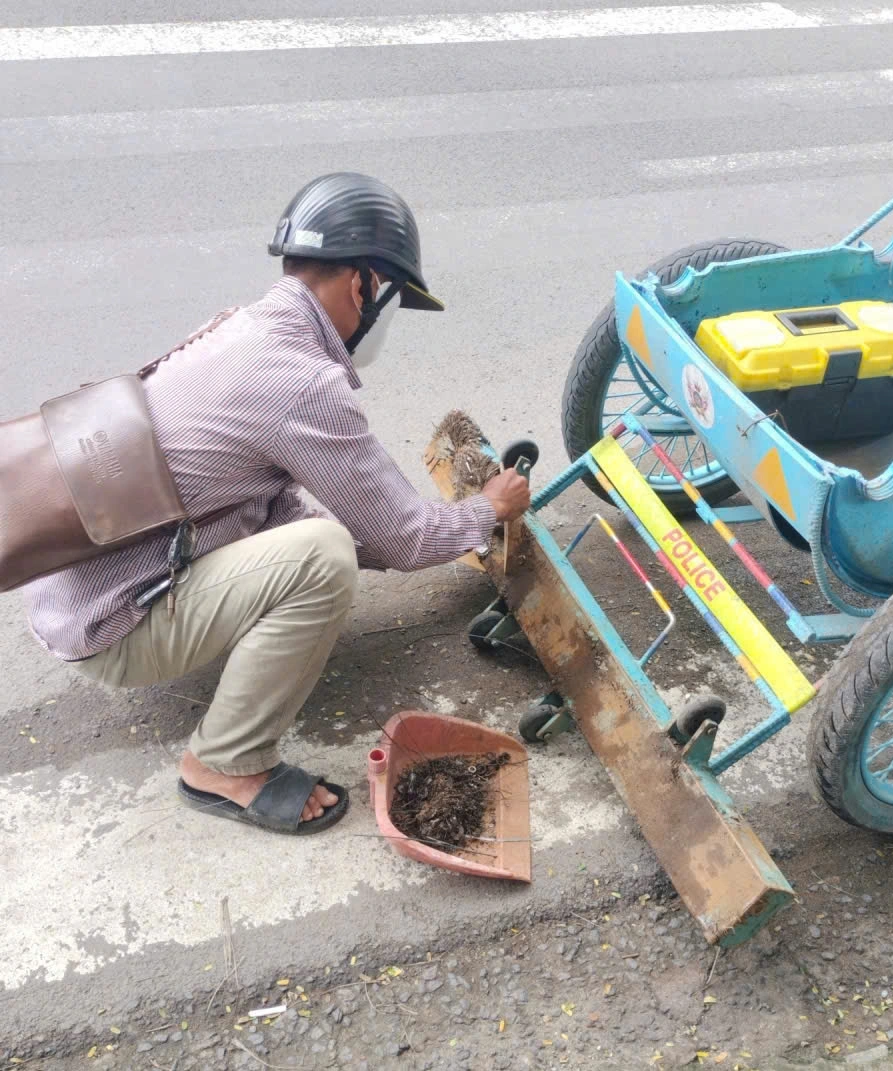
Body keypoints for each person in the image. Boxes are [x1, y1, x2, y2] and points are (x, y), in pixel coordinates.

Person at [23, 172, 530, 836]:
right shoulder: (302, 381)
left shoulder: (241, 328)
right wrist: (488, 507)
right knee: (322, 558)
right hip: (112, 626)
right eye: (392, 299)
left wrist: (363, 536)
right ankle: (223, 763)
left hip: (72, 588)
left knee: (320, 539)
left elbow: (263, 496)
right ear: (364, 286)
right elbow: (404, 538)